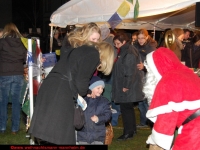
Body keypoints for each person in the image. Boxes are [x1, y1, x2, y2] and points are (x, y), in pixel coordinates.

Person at [29, 32, 114, 145]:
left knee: (51, 131)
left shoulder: (82, 49)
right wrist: (85, 92)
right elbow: (81, 81)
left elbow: (76, 76)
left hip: (52, 86)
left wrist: (87, 91)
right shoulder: (93, 54)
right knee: (60, 135)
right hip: (61, 90)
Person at [144, 47, 200, 150]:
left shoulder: (168, 81)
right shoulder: (188, 74)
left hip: (195, 131)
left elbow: (165, 122)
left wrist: (155, 144)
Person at [112, 32, 144, 140]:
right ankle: (132, 130)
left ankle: (128, 132)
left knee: (126, 109)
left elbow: (130, 71)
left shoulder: (128, 52)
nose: (116, 46)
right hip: (128, 85)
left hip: (127, 86)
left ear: (124, 42)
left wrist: (126, 85)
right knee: (128, 108)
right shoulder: (125, 50)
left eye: (117, 43)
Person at [0, 23, 27, 134]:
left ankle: (2, 127)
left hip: (4, 74)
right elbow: (26, 58)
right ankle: (15, 128)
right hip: (18, 74)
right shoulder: (22, 42)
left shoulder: (2, 42)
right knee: (16, 102)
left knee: (3, 102)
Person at [77, 76, 112, 145]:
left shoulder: (104, 101)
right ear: (91, 88)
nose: (101, 90)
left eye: (102, 88)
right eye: (98, 88)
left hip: (98, 136)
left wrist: (98, 119)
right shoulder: (83, 100)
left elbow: (108, 115)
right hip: (83, 135)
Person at [134, 28, 157, 128]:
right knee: (140, 101)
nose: (140, 40)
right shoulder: (134, 46)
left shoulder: (151, 47)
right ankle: (144, 122)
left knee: (148, 101)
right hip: (137, 76)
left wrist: (145, 67)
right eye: (139, 38)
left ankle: (151, 122)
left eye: (142, 38)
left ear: (147, 37)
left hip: (148, 77)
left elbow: (155, 64)